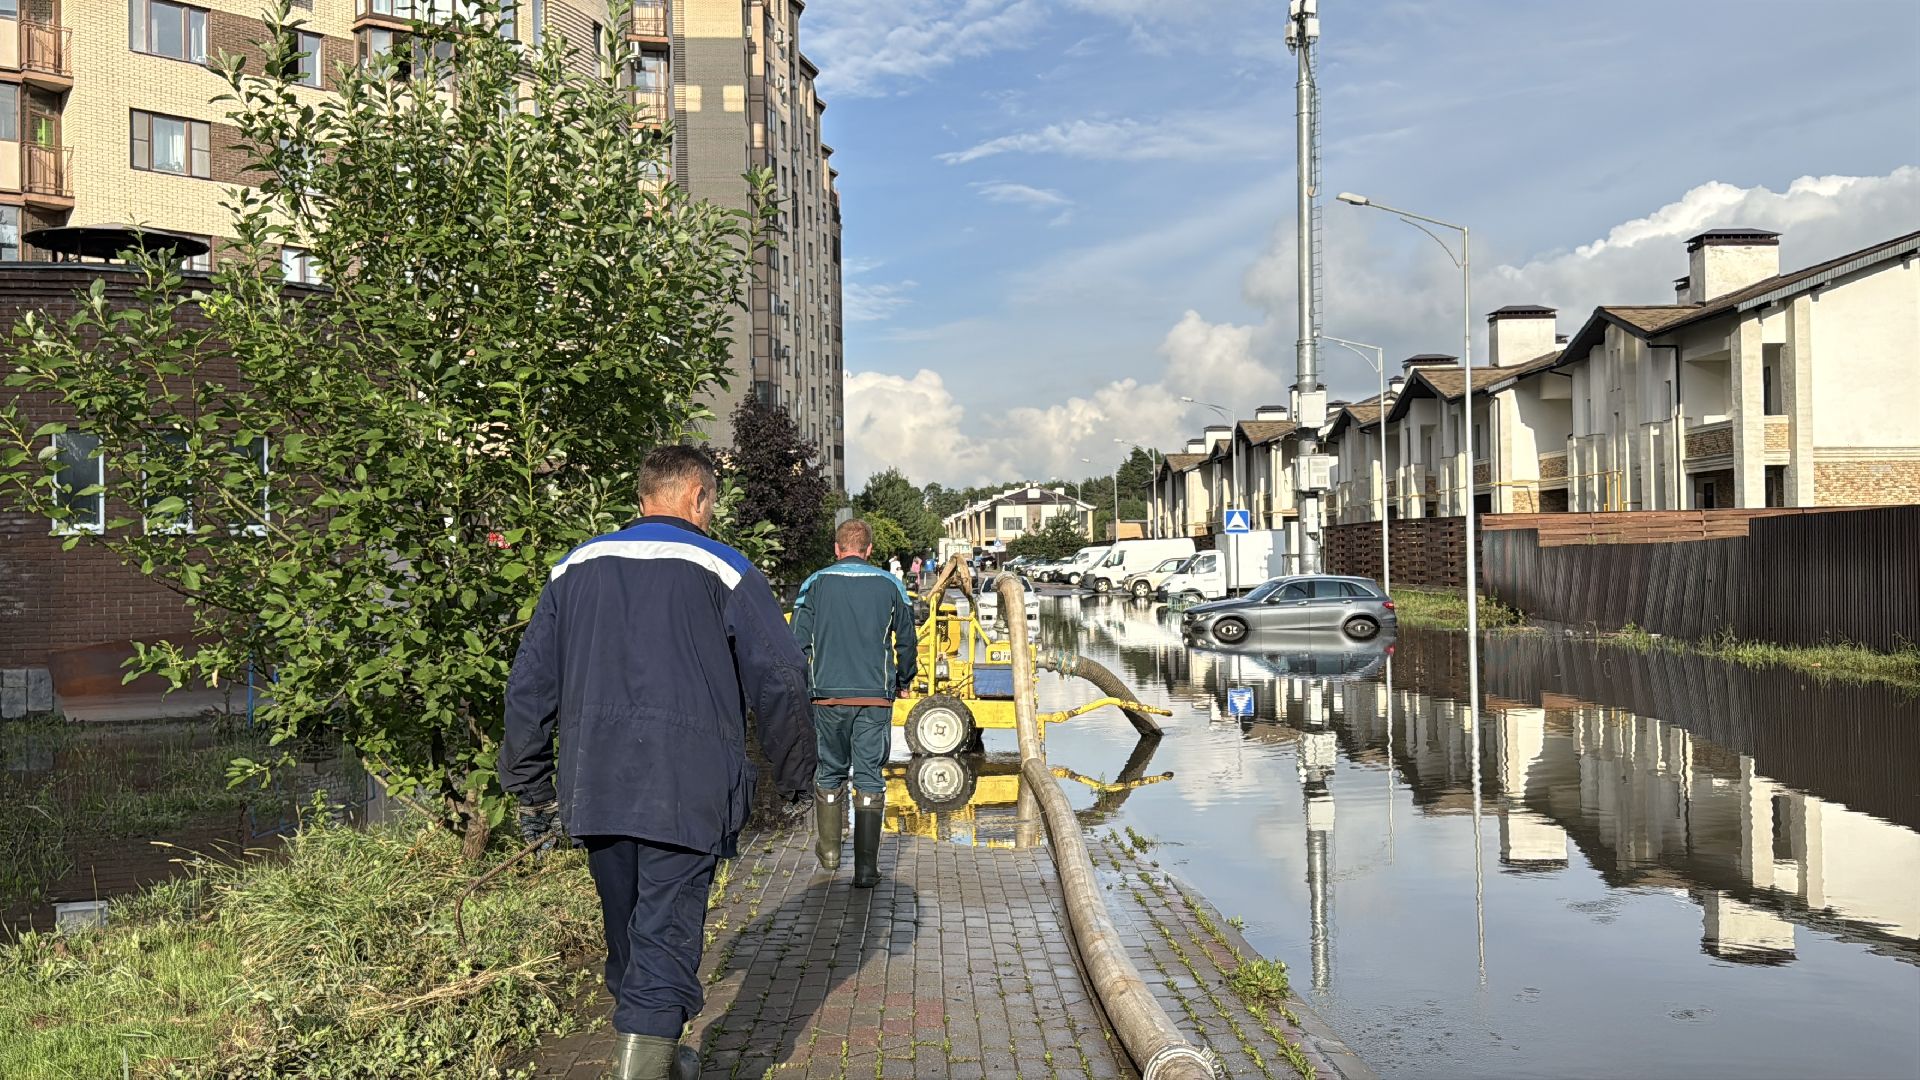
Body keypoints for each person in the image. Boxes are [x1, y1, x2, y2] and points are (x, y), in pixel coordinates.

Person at [501, 445, 815, 1080]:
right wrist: (797, 779)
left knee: (630, 932)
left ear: (644, 496)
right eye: (713, 501)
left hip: (596, 784)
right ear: (697, 497)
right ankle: (645, 1061)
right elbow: (781, 678)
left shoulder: (574, 567)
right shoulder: (724, 567)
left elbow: (529, 686)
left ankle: (653, 1055)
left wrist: (531, 790)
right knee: (665, 934)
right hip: (686, 787)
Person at [790, 519, 917, 887]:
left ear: (836, 548)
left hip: (826, 696)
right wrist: (905, 679)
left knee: (829, 771)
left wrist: (804, 683)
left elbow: (798, 641)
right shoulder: (891, 584)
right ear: (869, 550)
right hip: (874, 698)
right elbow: (906, 640)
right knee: (869, 778)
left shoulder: (814, 584)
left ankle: (829, 855)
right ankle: (865, 869)